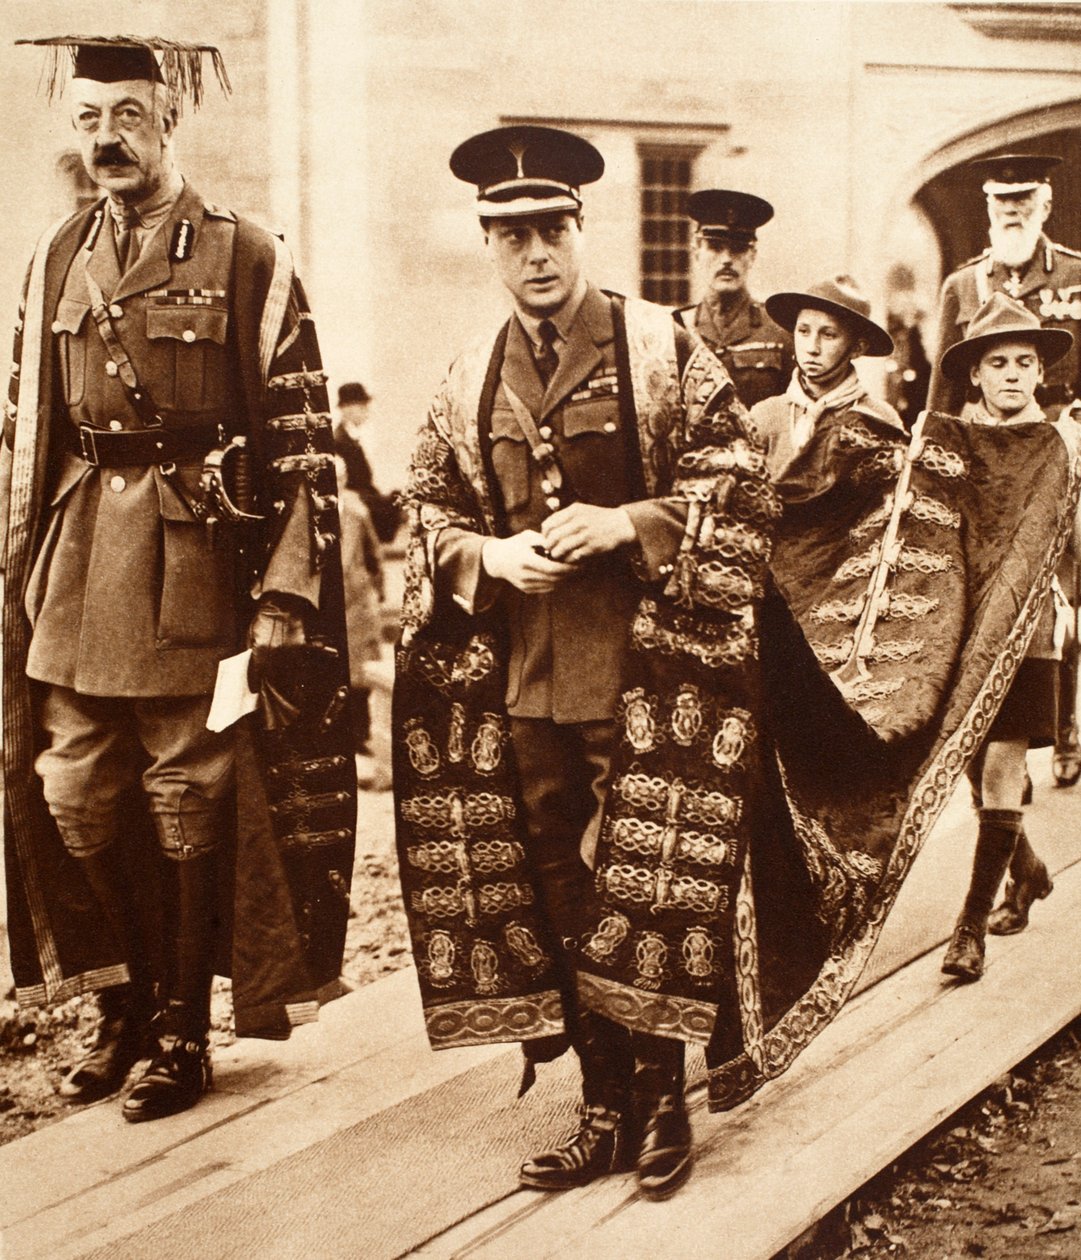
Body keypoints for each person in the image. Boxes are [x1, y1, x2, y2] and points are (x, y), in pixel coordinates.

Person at [394, 124, 778, 1200]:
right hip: (522, 677)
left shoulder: (661, 347)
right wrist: (486, 553)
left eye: (551, 229)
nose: (536, 254)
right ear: (487, 245)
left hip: (649, 675)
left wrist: (633, 525)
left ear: (580, 229)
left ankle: (661, 1101)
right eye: (511, 235)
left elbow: (741, 485)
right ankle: (601, 1104)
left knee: (642, 881)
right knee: (556, 880)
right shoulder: (468, 372)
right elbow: (423, 509)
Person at [1, 36, 355, 1123]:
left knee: (187, 802)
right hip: (76, 565)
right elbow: (30, 429)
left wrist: (287, 590)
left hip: (196, 563)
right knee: (69, 795)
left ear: (169, 123)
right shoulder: (57, 256)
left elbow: (304, 437)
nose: (107, 136)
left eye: (129, 115)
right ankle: (119, 1000)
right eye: (90, 117)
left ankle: (177, 1027)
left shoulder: (247, 255)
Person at [934, 294, 1073, 978]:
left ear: (1041, 374)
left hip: (1030, 629)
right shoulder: (951, 445)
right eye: (998, 363)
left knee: (999, 766)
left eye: (1025, 362)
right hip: (959, 629)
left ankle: (968, 931)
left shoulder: (1059, 447)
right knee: (965, 761)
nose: (1013, 375)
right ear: (975, 376)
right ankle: (1027, 871)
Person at [745, 275, 903, 493]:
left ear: (857, 348)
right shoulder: (765, 416)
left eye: (828, 335)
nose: (812, 347)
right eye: (803, 331)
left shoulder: (880, 420)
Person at [674, 188, 795, 408]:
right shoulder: (676, 328)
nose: (727, 259)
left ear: (752, 255)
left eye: (738, 248)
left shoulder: (780, 332)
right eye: (715, 247)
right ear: (696, 252)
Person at [333, 381, 400, 544]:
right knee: (394, 502)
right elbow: (352, 483)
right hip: (355, 499)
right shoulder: (340, 440)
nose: (366, 412)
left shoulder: (349, 437)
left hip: (362, 494)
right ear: (348, 408)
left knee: (396, 498)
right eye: (362, 407)